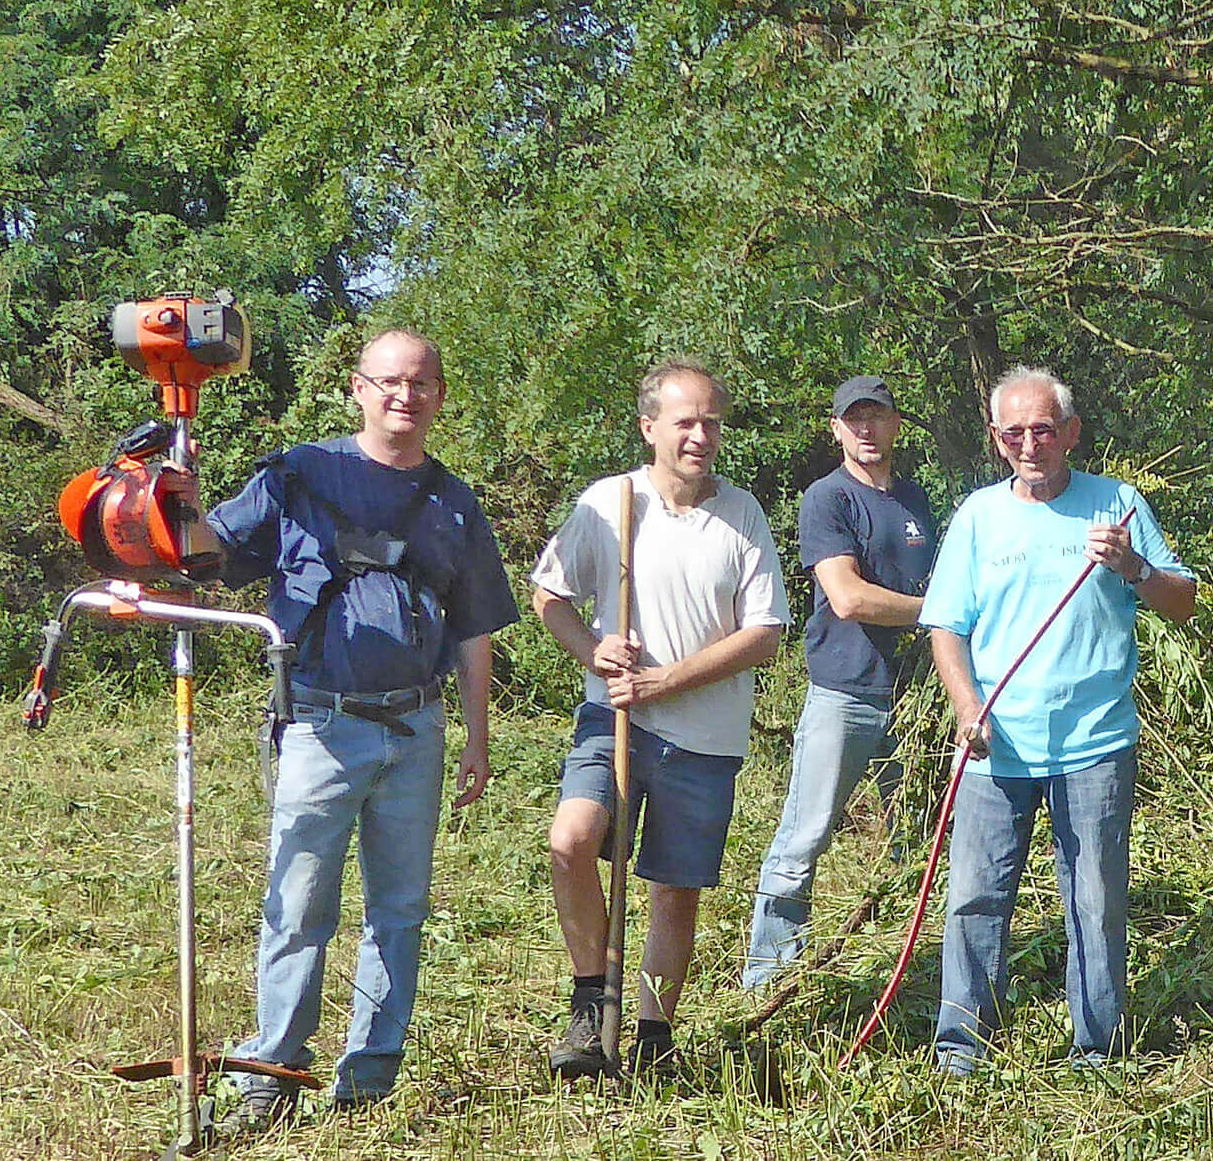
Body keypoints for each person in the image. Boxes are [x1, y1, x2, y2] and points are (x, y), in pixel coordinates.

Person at [194, 330, 519, 1131]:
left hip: (416, 729)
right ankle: (272, 1072)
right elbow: (206, 552)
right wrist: (176, 491)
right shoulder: (298, 474)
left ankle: (370, 1077)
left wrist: (477, 736)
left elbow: (475, 631)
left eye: (420, 383)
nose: (404, 395)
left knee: (399, 910)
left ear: (439, 395)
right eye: (388, 381)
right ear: (357, 387)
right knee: (299, 904)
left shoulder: (454, 502)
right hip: (318, 726)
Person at [917, 364, 1197, 1074]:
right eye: (1014, 431)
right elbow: (945, 625)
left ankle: (1097, 1049)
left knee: (1095, 902)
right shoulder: (978, 516)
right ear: (996, 439)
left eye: (1043, 428)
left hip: (1096, 742)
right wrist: (966, 704)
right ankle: (960, 1050)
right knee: (975, 898)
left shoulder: (1118, 505)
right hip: (994, 748)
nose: (1029, 443)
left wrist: (1133, 566)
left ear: (1070, 432)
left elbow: (1183, 601)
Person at [534, 358, 789, 1079]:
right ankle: (591, 1006)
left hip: (704, 737)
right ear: (650, 427)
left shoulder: (741, 514)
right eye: (685, 421)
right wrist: (595, 648)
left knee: (675, 890)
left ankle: (652, 1037)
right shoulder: (611, 502)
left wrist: (666, 680)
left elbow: (764, 631)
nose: (701, 435)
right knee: (571, 840)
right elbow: (549, 595)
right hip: (612, 719)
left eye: (711, 421)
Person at [743, 375, 937, 989]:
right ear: (836, 430)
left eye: (876, 416)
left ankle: (916, 962)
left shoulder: (916, 501)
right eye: (853, 418)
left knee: (918, 837)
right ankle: (769, 978)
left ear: (895, 424)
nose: (865, 428)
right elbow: (848, 598)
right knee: (805, 835)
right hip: (845, 692)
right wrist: (941, 611)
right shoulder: (826, 499)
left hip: (917, 699)